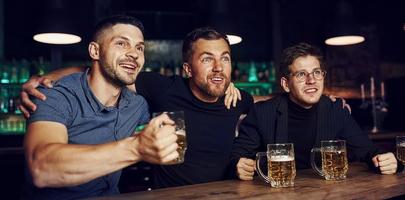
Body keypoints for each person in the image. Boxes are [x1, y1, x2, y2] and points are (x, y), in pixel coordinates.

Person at [19, 27, 253, 188]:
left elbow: (271, 101)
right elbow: (102, 71)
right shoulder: (161, 88)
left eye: (225, 58)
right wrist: (45, 78)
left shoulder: (239, 98)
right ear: (188, 69)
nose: (218, 67)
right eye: (207, 59)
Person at [21, 15, 181, 200]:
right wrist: (136, 148)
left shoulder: (137, 105)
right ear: (95, 51)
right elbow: (41, 168)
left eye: (139, 47)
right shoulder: (55, 94)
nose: (134, 53)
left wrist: (224, 89)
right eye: (121, 43)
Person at [231, 42, 402, 181]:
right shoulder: (262, 113)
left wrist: (386, 160)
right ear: (285, 84)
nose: (311, 80)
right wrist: (239, 165)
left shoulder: (336, 110)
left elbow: (367, 150)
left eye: (316, 72)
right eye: (301, 75)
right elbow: (237, 156)